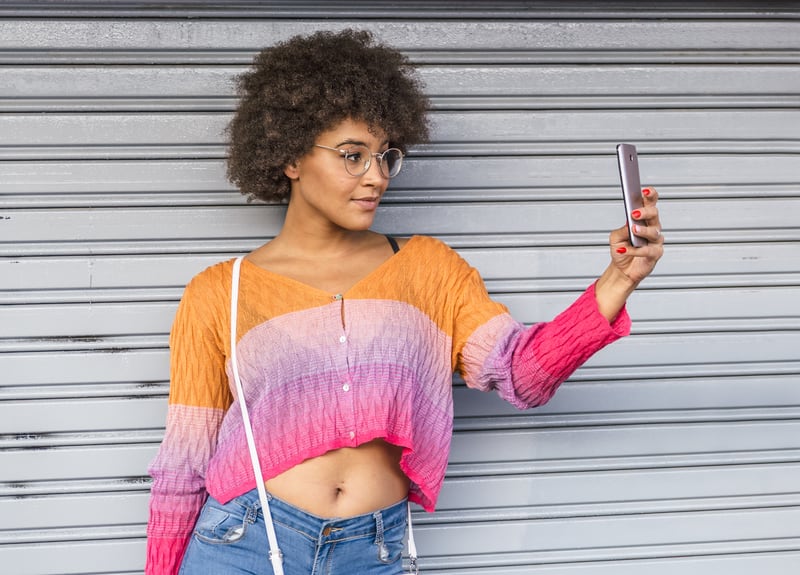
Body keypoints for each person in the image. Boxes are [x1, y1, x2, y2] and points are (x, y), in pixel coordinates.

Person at [146, 29, 663, 575]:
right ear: (290, 158)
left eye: (385, 156)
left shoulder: (430, 270)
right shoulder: (218, 292)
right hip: (242, 543)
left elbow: (524, 374)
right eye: (352, 156)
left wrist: (618, 279)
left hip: (373, 552)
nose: (377, 177)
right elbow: (183, 465)